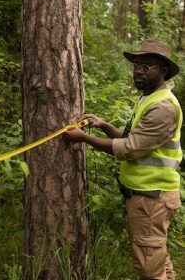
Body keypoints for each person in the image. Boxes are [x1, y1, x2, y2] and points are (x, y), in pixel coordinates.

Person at [64, 40, 183, 280]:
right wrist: (103, 124)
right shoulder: (148, 99)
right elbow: (131, 138)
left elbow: (130, 148)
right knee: (156, 259)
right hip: (146, 196)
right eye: (137, 66)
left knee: (149, 268)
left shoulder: (163, 107)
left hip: (152, 198)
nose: (139, 71)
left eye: (147, 66)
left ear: (163, 71)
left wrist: (84, 138)